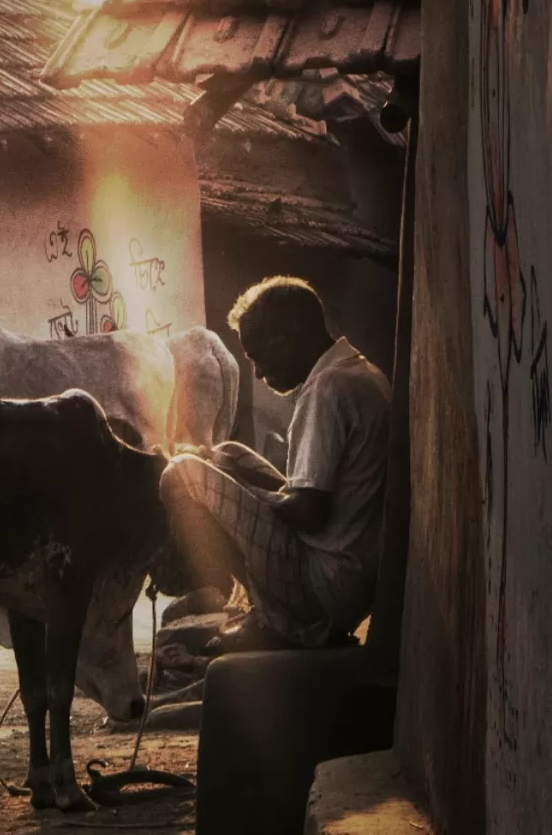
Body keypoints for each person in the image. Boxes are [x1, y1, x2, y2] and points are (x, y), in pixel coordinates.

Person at [159, 276, 391, 651]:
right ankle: (264, 610)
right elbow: (309, 496)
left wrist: (236, 493)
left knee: (180, 472)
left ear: (287, 338)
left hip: (325, 589)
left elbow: (310, 511)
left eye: (258, 357)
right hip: (352, 577)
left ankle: (273, 617)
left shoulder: (326, 390)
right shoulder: (357, 371)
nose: (260, 372)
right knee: (227, 453)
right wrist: (231, 474)